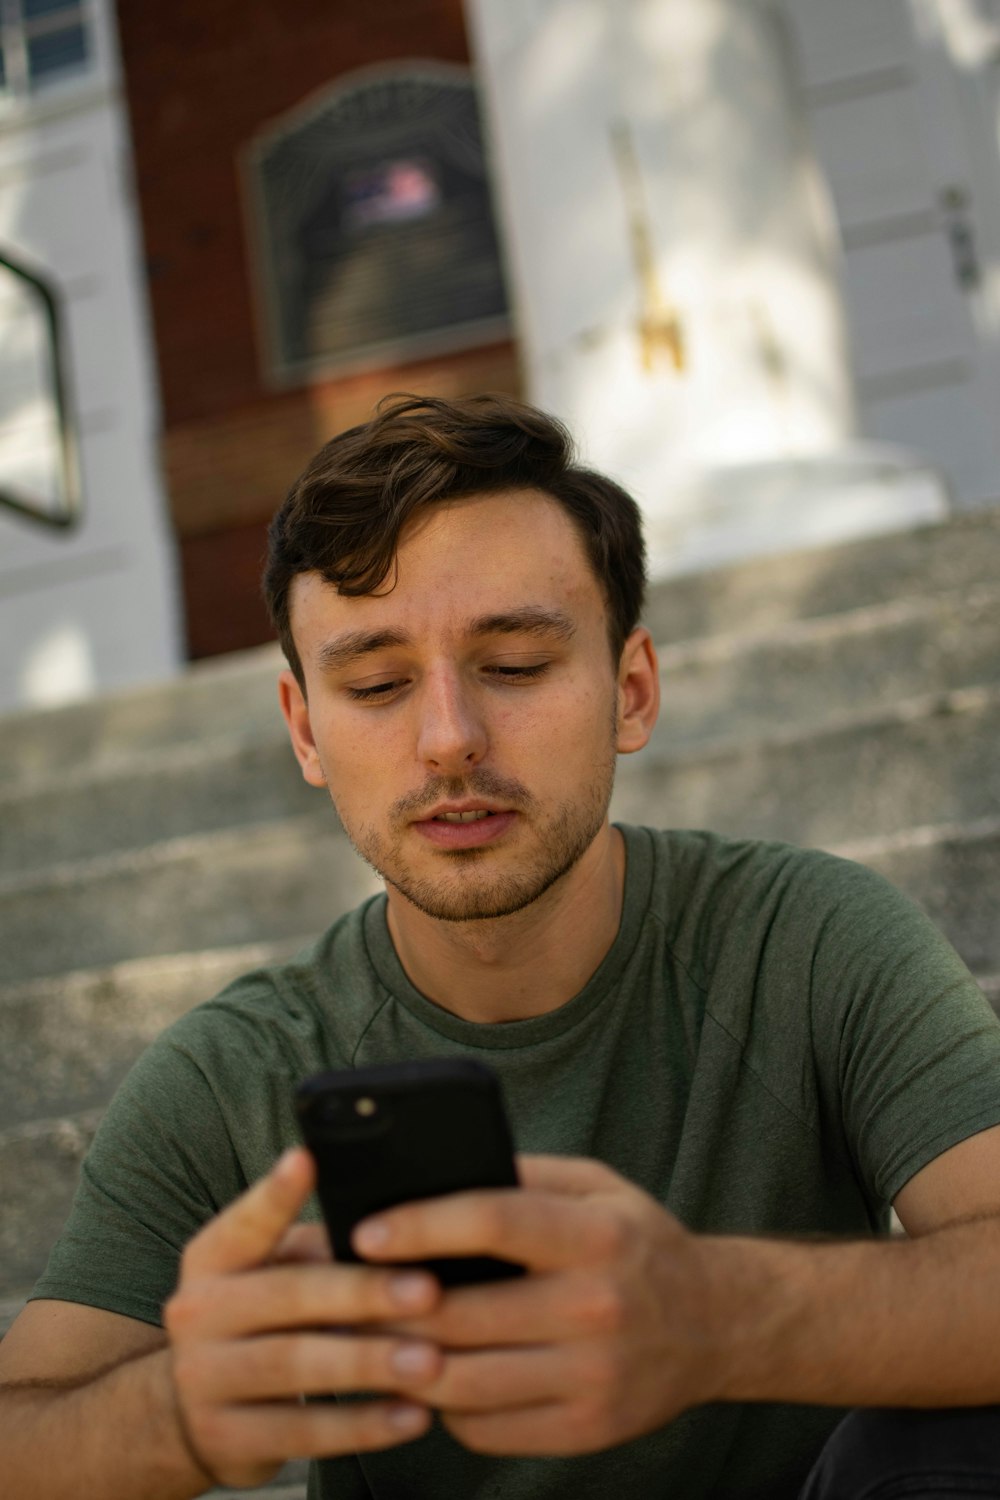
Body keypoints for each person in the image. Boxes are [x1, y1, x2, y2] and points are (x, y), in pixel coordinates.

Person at [1, 392, 1000, 1500]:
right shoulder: (234, 1072)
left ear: (630, 689)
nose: (448, 742)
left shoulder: (809, 941)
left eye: (515, 664)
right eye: (376, 685)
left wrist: (717, 1316)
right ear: (303, 731)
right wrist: (177, 1412)